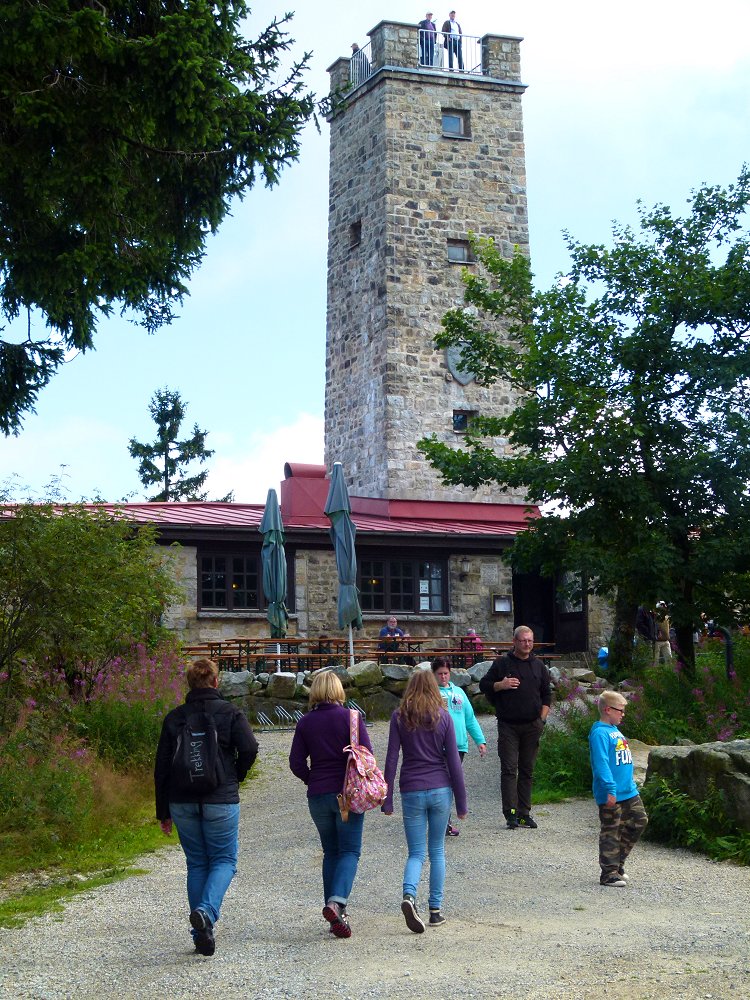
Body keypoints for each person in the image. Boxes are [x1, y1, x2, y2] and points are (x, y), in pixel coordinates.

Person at [154, 657, 258, 956]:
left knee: (197, 863)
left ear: (189, 683)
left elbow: (161, 768)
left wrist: (163, 811)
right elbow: (249, 748)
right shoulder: (230, 712)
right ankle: (206, 913)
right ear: (216, 681)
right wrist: (235, 775)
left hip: (181, 800)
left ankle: (201, 932)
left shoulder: (174, 718)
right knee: (224, 860)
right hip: (220, 798)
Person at [289, 670, 373, 938]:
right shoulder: (352, 718)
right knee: (350, 852)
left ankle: (334, 914)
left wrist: (311, 779)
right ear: (338, 691)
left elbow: (295, 762)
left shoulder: (305, 723)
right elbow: (367, 756)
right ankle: (336, 904)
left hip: (318, 796)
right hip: (347, 795)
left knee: (331, 852)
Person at [382, 669, 467, 932]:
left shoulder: (400, 716)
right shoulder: (444, 717)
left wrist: (387, 799)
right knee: (437, 850)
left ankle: (409, 896)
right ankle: (435, 911)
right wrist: (462, 802)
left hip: (411, 789)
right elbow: (454, 761)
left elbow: (392, 758)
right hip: (440, 788)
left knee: (416, 852)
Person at [479, 625, 551, 829]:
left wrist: (542, 720)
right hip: (508, 725)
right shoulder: (502, 663)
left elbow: (547, 695)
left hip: (532, 725)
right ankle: (510, 813)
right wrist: (500, 685)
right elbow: (484, 684)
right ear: (514, 642)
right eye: (523, 640)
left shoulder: (539, 666)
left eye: (530, 640)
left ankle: (524, 813)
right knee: (509, 769)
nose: (527, 644)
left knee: (527, 770)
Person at [588, 690, 648, 887]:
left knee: (639, 820)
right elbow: (601, 763)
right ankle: (609, 873)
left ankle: (618, 863)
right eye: (620, 710)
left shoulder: (614, 729)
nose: (623, 714)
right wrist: (610, 789)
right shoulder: (600, 733)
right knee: (611, 830)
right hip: (611, 792)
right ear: (607, 710)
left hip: (628, 790)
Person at [431, 657, 486, 836]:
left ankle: (442, 821)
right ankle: (442, 822)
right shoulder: (430, 694)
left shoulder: (459, 693)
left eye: (446, 673)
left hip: (459, 745)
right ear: (433, 675)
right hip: (438, 746)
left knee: (451, 783)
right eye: (439, 674)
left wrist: (480, 741)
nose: (443, 677)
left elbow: (469, 718)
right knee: (443, 783)